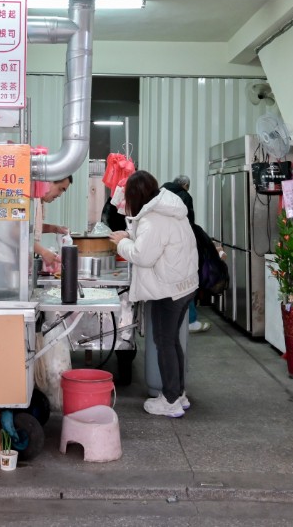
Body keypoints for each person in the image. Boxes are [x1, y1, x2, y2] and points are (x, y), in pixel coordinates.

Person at [109, 170, 198, 418]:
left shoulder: (152, 218)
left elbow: (143, 256)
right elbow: (154, 241)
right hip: (184, 286)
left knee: (164, 342)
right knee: (172, 341)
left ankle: (169, 401)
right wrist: (130, 235)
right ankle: (178, 393)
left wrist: (121, 243)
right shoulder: (169, 208)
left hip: (167, 291)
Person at [161, 175, 210, 334]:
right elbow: (188, 222)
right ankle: (190, 321)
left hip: (163, 245)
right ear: (185, 185)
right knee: (187, 282)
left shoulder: (162, 192)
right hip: (180, 245)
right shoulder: (185, 196)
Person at [33, 176, 72, 272]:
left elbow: (31, 228)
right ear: (48, 182)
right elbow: (17, 233)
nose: (59, 195)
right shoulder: (30, 199)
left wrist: (55, 229)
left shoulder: (38, 200)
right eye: (60, 189)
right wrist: (43, 252)